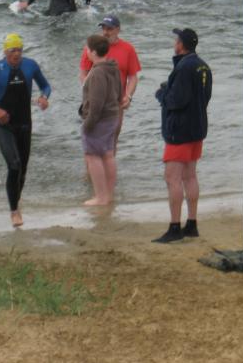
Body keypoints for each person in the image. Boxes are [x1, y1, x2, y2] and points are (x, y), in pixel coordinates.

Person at [0, 33, 51, 228]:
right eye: (13, 50)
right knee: (14, 165)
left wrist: (44, 97)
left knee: (22, 170)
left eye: (19, 50)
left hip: (25, 124)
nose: (17, 54)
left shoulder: (30, 65)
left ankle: (15, 201)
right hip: (3, 126)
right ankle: (14, 211)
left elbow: (45, 86)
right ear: (5, 52)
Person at [152, 28, 212, 243]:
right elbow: (204, 97)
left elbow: (176, 101)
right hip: (197, 128)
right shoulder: (203, 65)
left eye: (176, 40)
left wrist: (162, 94)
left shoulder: (184, 67)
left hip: (180, 131)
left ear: (181, 45)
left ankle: (175, 227)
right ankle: (192, 224)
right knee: (190, 176)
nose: (174, 42)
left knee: (172, 178)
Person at [78, 15, 141, 148]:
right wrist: (89, 92)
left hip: (117, 102)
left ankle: (109, 161)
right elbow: (83, 73)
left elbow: (133, 77)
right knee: (93, 144)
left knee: (112, 142)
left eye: (109, 29)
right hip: (95, 102)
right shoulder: (92, 48)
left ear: (118, 30)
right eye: (103, 28)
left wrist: (128, 96)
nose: (105, 32)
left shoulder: (128, 49)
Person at [79, 34, 122, 205]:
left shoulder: (97, 72)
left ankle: (101, 197)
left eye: (87, 48)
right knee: (108, 155)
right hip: (112, 116)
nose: (86, 51)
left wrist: (88, 125)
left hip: (99, 119)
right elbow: (119, 94)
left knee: (92, 156)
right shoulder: (113, 67)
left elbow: (96, 104)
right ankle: (108, 195)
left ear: (94, 52)